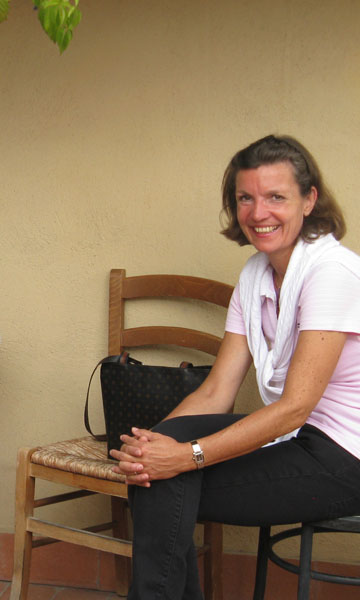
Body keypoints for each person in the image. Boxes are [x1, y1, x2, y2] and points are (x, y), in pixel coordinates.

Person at [110, 134, 360, 599]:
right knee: (154, 469)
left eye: (276, 197)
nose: (259, 212)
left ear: (309, 200)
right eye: (246, 198)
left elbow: (295, 407)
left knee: (165, 482)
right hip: (298, 437)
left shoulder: (331, 273)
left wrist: (185, 456)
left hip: (346, 456)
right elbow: (216, 391)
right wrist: (153, 446)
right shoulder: (255, 275)